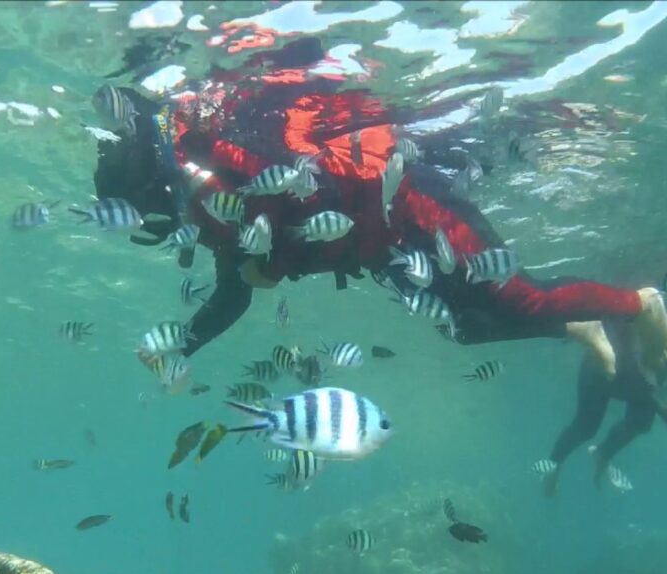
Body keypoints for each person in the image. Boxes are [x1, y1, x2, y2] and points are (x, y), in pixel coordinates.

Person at [91, 39, 667, 380]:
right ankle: (575, 326)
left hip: (406, 200)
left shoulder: (221, 151)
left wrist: (275, 261)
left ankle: (640, 305)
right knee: (466, 328)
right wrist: (182, 342)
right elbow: (234, 286)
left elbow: (308, 186)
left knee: (517, 296)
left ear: (154, 185)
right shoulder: (206, 210)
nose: (159, 224)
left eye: (148, 213)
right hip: (378, 248)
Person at [542, 317, 667, 496]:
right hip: (601, 370)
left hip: (638, 377)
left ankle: (602, 453)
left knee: (640, 423)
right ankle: (553, 465)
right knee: (585, 427)